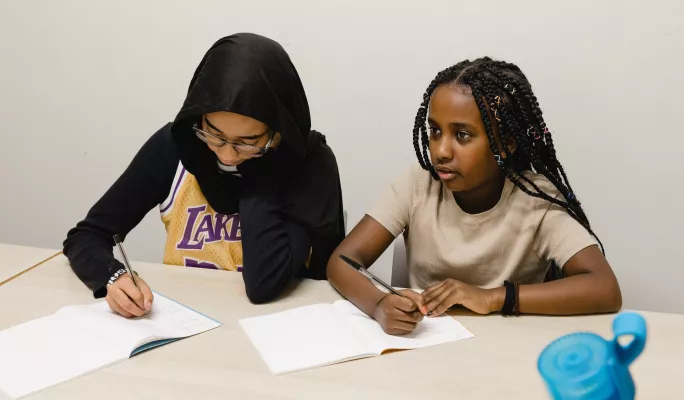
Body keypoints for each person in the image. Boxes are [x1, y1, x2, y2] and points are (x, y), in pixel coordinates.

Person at [327, 57, 621, 335]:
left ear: (505, 143)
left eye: (462, 135)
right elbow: (342, 260)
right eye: (435, 131)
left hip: (506, 353)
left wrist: (493, 298)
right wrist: (378, 304)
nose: (441, 151)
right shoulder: (418, 184)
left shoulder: (536, 200)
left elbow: (604, 288)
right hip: (426, 345)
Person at [64, 33, 344, 317]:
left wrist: (261, 168)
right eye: (214, 134)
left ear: (279, 128)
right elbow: (87, 235)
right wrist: (113, 276)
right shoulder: (180, 146)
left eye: (247, 141)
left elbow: (264, 284)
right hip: (182, 320)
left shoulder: (307, 163)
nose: (227, 155)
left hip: (275, 328)